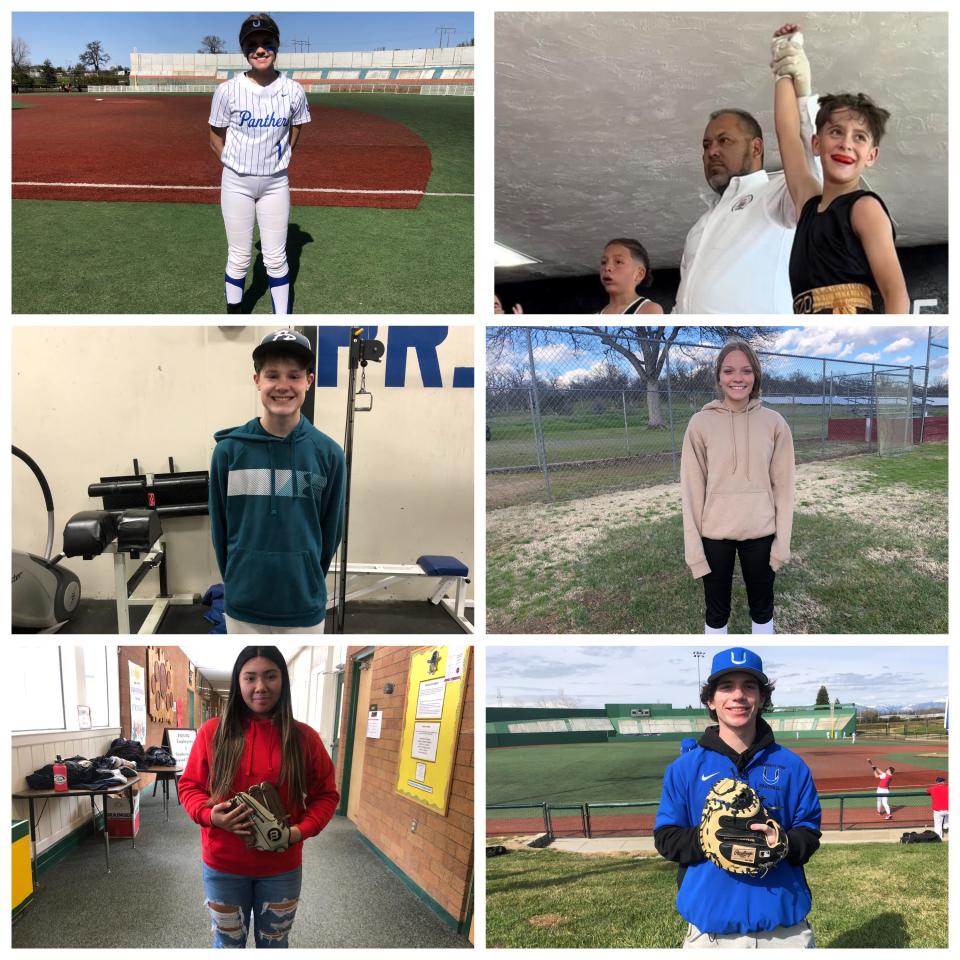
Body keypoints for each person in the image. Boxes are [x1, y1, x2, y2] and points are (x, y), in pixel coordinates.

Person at [654, 647, 822, 947]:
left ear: (761, 698)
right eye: (726, 686)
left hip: (785, 931)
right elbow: (666, 838)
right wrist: (709, 839)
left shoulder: (793, 766)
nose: (738, 696)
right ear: (710, 699)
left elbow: (809, 834)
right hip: (712, 934)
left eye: (749, 686)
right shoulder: (683, 770)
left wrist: (783, 843)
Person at [178, 646, 340, 948]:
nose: (260, 687)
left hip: (281, 867)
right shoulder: (212, 732)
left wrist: (298, 832)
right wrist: (209, 815)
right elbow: (189, 786)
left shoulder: (304, 738)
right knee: (227, 946)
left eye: (270, 676)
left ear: (283, 681)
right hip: (223, 865)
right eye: (250, 677)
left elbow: (326, 795)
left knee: (274, 945)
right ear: (239, 683)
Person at [209, 329, 346, 633]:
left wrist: (306, 576)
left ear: (309, 381)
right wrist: (237, 580)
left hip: (303, 608)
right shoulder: (228, 452)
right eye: (272, 375)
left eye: (294, 376)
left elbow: (330, 533)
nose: (283, 386)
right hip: (242, 606)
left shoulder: (329, 454)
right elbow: (220, 533)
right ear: (257, 380)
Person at [673, 34, 821, 313]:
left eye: (723, 141)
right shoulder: (699, 227)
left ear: (756, 148)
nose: (712, 151)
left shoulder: (776, 194)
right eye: (706, 145)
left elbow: (812, 168)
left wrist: (801, 93)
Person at [772, 24, 909, 314]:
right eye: (836, 132)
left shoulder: (865, 208)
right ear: (816, 143)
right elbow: (787, 133)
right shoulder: (807, 204)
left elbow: (896, 295)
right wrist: (785, 65)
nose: (846, 144)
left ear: (871, 155)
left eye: (859, 137)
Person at [680, 341, 795, 635]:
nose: (737, 378)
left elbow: (784, 488)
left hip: (760, 532)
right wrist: (694, 550)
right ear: (719, 377)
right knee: (716, 611)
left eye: (745, 371)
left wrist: (782, 542)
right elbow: (692, 491)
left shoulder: (774, 423)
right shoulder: (699, 424)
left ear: (755, 376)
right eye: (729, 371)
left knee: (762, 607)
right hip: (715, 534)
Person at [209, 14, 310, 314]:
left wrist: (281, 157)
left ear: (276, 46)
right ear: (244, 51)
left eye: (267, 43)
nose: (260, 49)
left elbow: (297, 127)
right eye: (252, 45)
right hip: (236, 182)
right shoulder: (228, 90)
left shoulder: (293, 90)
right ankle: (235, 317)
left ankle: (282, 320)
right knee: (239, 256)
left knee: (276, 257)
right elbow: (215, 136)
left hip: (275, 182)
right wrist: (233, 163)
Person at [598, 239, 663, 314]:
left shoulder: (650, 310)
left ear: (639, 274)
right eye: (604, 262)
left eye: (618, 262)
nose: (607, 267)